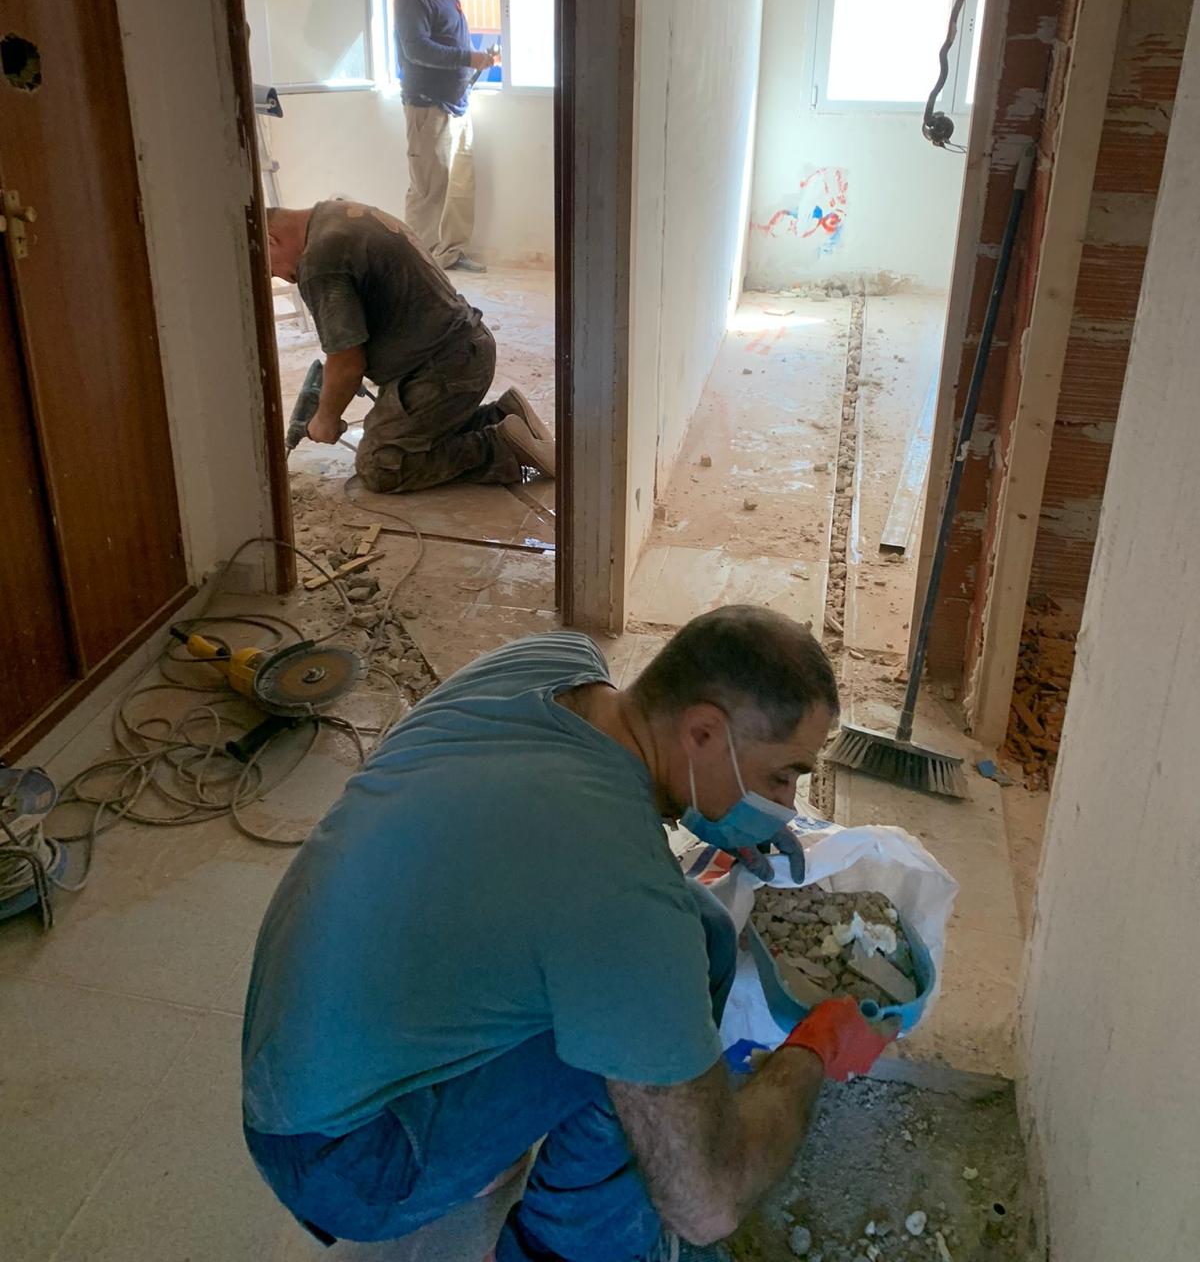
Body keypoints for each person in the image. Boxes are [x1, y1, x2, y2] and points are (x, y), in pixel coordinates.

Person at [241, 607, 898, 1260]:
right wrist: (813, 1050)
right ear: (702, 732)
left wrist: (726, 809)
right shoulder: (625, 904)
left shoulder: (549, 661)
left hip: (303, 1045)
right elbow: (707, 1203)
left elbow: (551, 842)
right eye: (781, 776)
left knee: (701, 933)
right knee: (649, 1050)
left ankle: (479, 1142)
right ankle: (558, 1248)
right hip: (344, 1160)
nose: (785, 804)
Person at [266, 200, 554, 493]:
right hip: (467, 349)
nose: (280, 277)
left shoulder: (320, 262)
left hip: (441, 369)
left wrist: (325, 420)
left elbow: (347, 363)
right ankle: (502, 415)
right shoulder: (337, 213)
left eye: (271, 269)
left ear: (270, 240)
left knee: (381, 466)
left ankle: (501, 446)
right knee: (409, 433)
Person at [394, 0, 496, 274]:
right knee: (428, 191)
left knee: (459, 187)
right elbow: (416, 48)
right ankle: (418, 267)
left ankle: (451, 253)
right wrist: (468, 57)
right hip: (428, 108)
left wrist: (475, 61)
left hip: (456, 107)